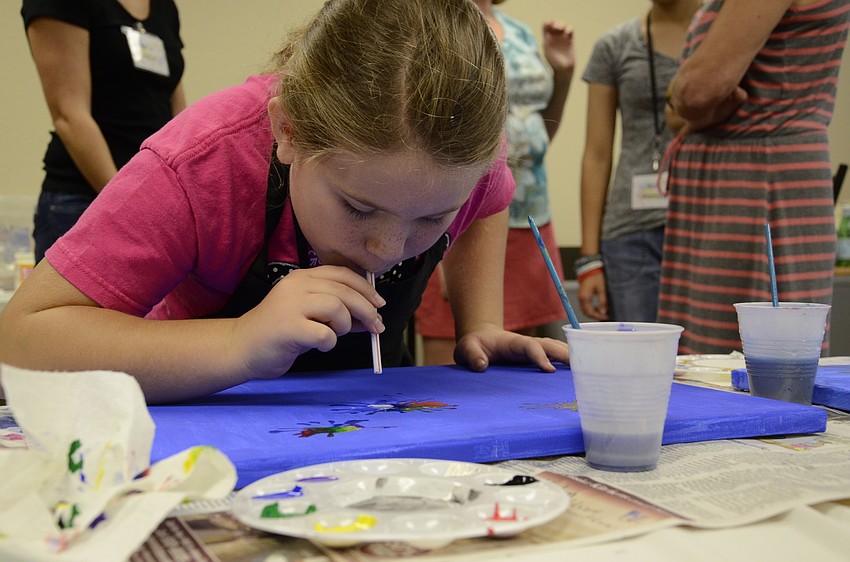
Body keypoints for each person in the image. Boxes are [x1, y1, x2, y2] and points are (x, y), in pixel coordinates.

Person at [0, 0, 570, 404]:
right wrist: (238, 343)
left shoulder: (464, 160)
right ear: (288, 130)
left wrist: (481, 322)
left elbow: (492, 195)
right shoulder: (203, 163)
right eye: (357, 207)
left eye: (430, 219)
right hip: (197, 419)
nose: (386, 248)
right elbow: (23, 339)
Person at [660, 0, 850, 353]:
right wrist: (685, 100)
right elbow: (683, 105)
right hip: (735, 179)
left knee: (753, 363)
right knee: (716, 365)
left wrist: (682, 96)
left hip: (756, 181)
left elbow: (696, 91)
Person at [415, 0, 575, 365]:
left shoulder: (516, 31)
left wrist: (563, 74)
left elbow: (538, 128)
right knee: (453, 351)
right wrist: (437, 253)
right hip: (460, 215)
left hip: (530, 211)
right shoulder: (434, 22)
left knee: (521, 355)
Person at [22, 0, 187, 263]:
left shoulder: (163, 6)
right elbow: (70, 115)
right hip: (84, 202)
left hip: (151, 203)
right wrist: (129, 203)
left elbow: (175, 115)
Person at [576, 0, 699, 322]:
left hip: (704, 223)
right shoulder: (615, 45)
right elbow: (596, 154)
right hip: (631, 234)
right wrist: (589, 259)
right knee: (637, 361)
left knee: (708, 361)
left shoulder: (723, 36)